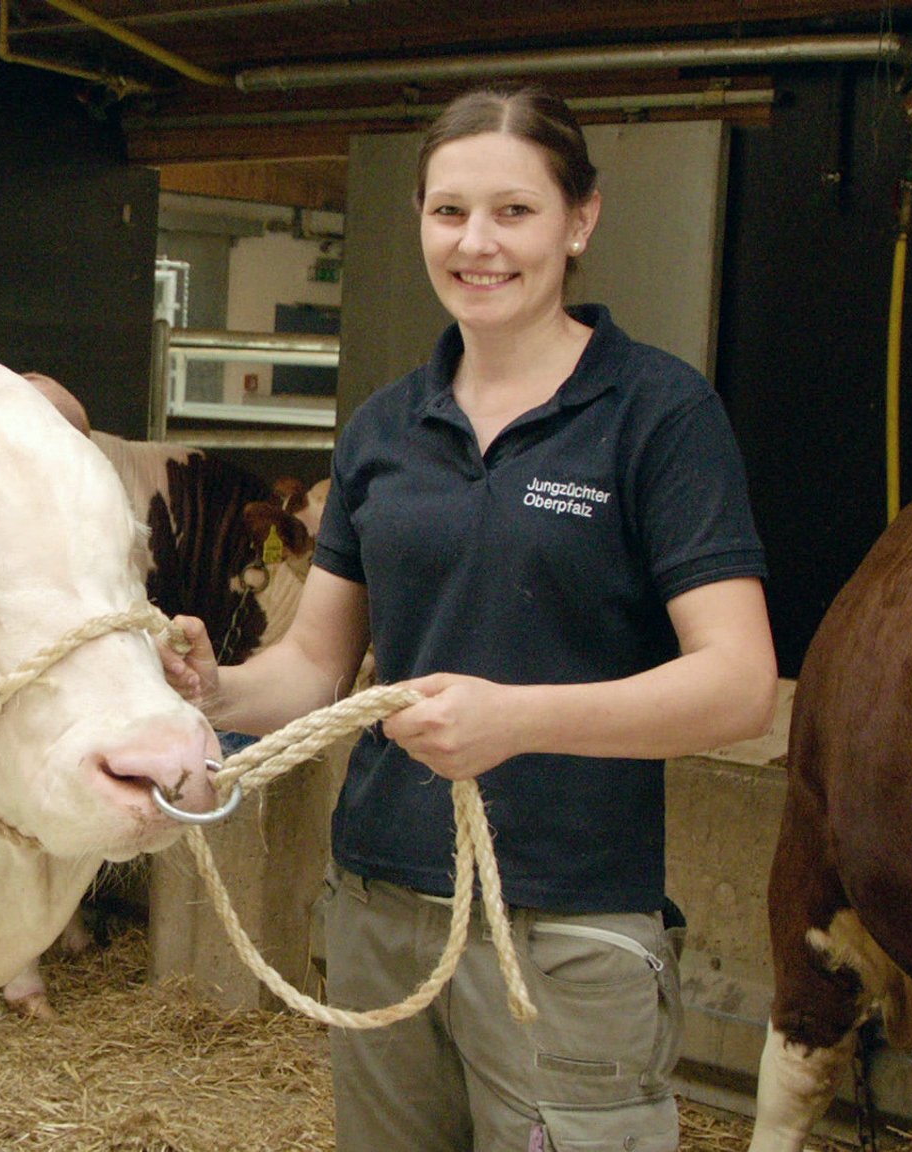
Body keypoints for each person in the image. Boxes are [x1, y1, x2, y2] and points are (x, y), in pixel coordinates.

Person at [158, 83, 777, 1152]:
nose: (475, 244)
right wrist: (214, 694)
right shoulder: (385, 429)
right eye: (447, 212)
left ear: (578, 221)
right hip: (378, 907)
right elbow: (316, 662)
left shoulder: (657, 414)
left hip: (565, 922)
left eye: (512, 212)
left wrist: (516, 720)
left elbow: (735, 681)